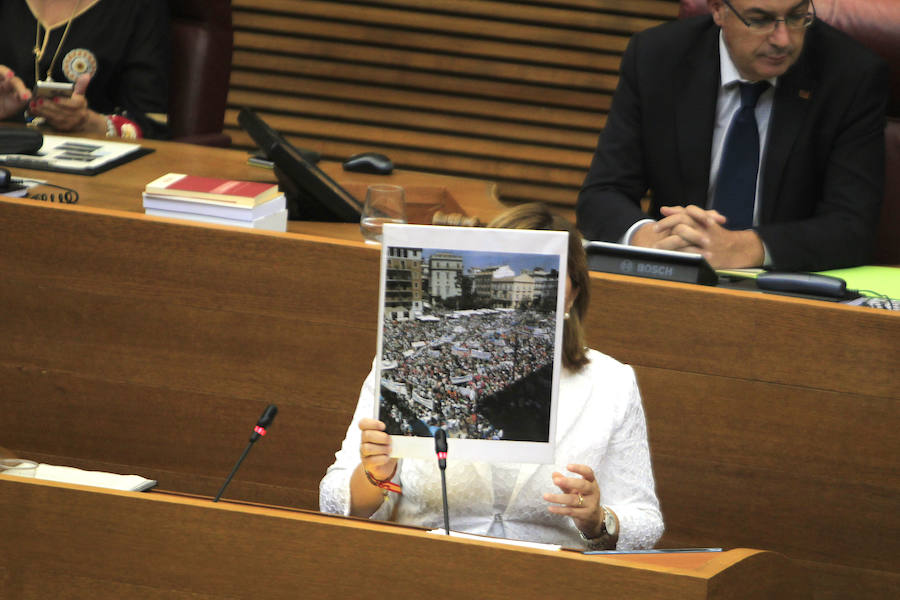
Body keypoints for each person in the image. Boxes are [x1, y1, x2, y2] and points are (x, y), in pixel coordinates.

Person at [319, 203, 664, 550]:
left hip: (551, 577)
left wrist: (599, 520)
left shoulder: (611, 383)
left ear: (574, 293)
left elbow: (646, 523)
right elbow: (333, 501)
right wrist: (375, 477)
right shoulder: (398, 363)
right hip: (422, 564)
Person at [576, 0, 888, 272]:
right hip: (675, 278)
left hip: (786, 289)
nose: (783, 39)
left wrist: (743, 247)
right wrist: (650, 238)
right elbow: (602, 193)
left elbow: (852, 227)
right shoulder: (658, 57)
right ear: (718, 9)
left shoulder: (851, 75)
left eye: (796, 16)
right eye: (760, 19)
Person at [0, 0, 170, 139]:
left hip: (94, 165)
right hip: (10, 155)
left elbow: (152, 128)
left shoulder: (138, 7)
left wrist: (88, 122)